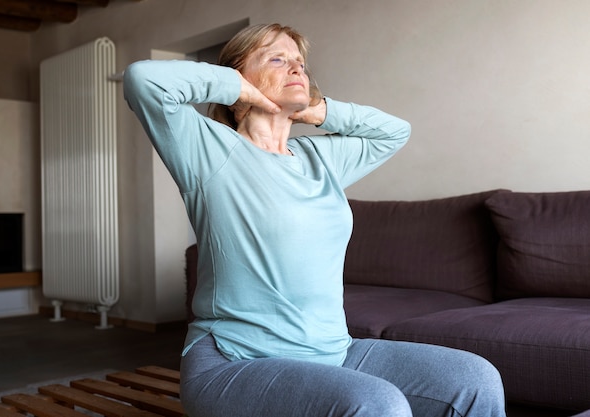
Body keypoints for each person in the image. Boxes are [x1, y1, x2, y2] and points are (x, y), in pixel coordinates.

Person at [124, 23, 506, 417]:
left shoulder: (319, 160)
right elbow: (144, 80)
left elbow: (394, 133)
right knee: (377, 405)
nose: (296, 69)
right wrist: (236, 88)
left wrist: (318, 110)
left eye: (300, 63)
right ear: (238, 75)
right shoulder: (209, 150)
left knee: (475, 379)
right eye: (277, 58)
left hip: (333, 353)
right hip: (235, 363)